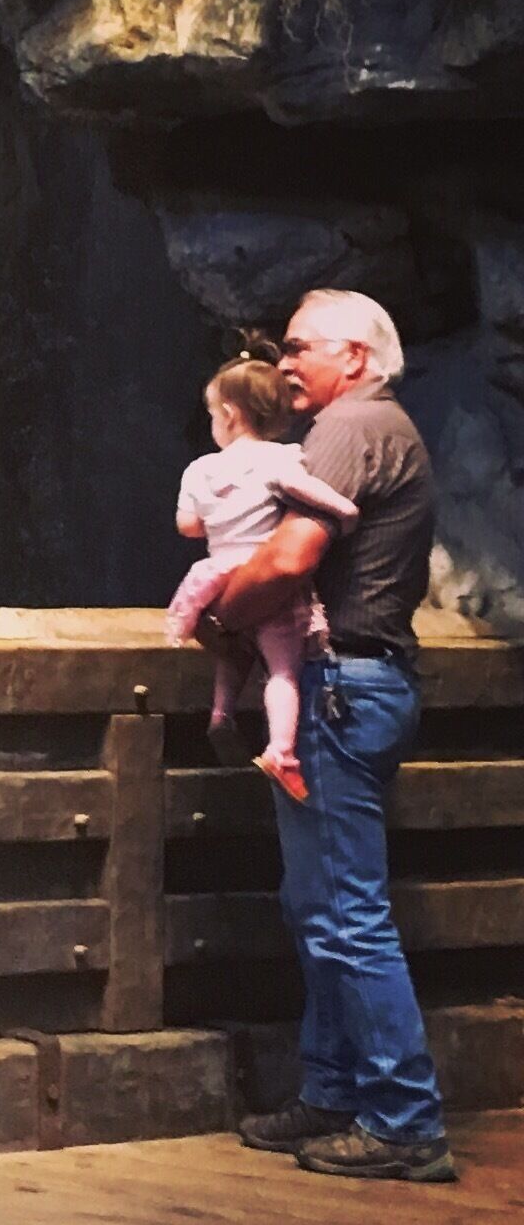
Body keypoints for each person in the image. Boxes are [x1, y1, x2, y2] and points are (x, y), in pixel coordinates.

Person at [207, 289, 455, 1184]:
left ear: (355, 357)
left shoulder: (351, 428)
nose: (283, 365)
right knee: (318, 907)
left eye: (301, 347)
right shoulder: (378, 427)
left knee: (347, 914)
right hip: (354, 685)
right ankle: (338, 1091)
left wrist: (222, 621)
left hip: (342, 686)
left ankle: (403, 1120)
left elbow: (289, 557)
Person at [167, 348, 358, 802]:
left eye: (212, 414)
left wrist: (219, 515)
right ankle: (281, 750)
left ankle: (221, 714)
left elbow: (188, 526)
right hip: (264, 578)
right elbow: (302, 490)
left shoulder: (200, 469)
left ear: (229, 414)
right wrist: (345, 512)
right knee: (283, 673)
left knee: (232, 651)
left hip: (218, 578)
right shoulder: (279, 459)